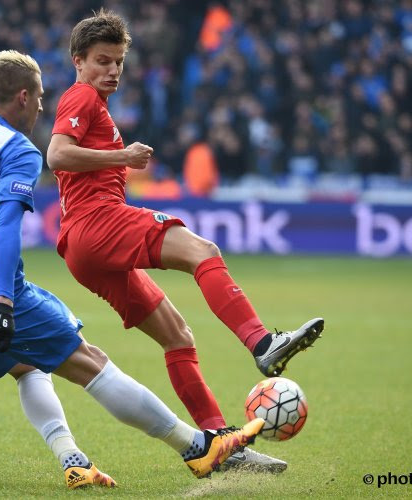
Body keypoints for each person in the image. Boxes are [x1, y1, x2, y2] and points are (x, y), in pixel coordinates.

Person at [0, 50, 264, 489]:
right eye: (39, 99)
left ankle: (72, 459)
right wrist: (1, 300)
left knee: (27, 368)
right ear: (22, 97)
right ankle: (199, 447)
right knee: (90, 362)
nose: (41, 108)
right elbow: (4, 229)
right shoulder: (17, 150)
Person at [47, 9, 325, 471]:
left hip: (81, 247)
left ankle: (220, 446)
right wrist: (124, 155)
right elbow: (55, 153)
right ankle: (262, 344)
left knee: (178, 337)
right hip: (98, 223)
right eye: (102, 61)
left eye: (118, 62)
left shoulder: (93, 103)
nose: (112, 70)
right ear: (78, 61)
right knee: (203, 252)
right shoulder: (80, 97)